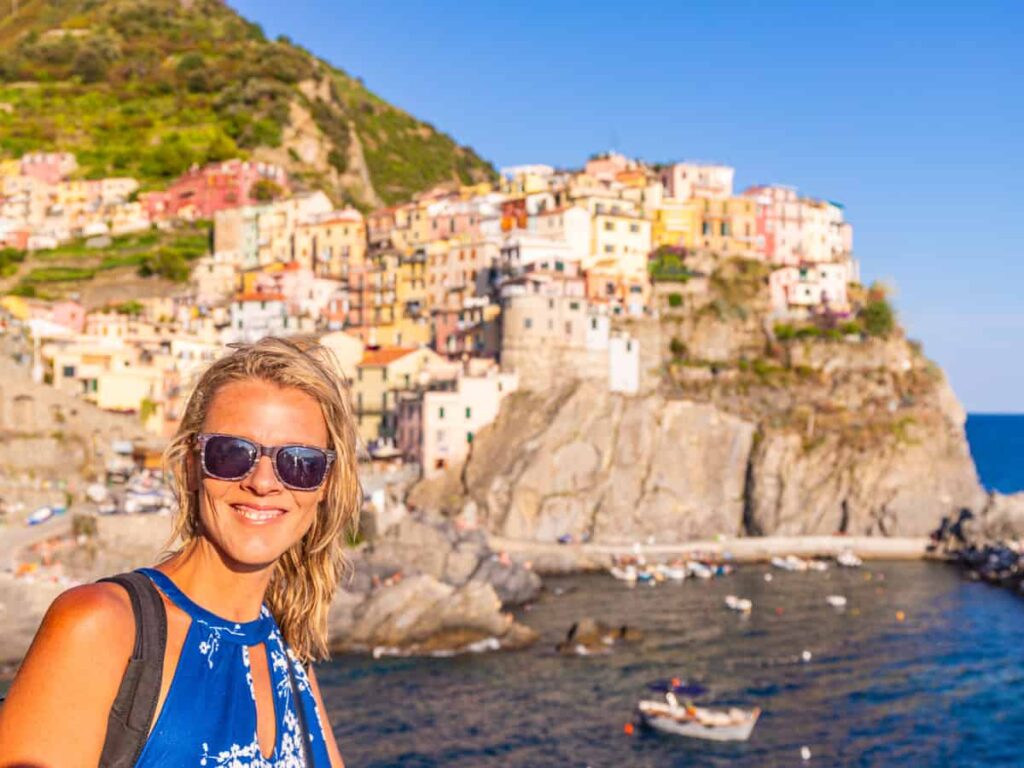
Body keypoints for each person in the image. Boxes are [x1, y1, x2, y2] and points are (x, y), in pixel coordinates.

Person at [0, 337, 359, 767]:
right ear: (191, 465)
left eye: (300, 462)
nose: (264, 482)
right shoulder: (103, 627)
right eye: (232, 454)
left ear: (325, 485)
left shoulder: (290, 656)